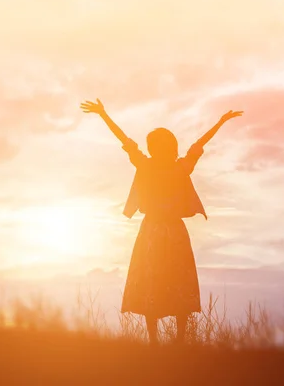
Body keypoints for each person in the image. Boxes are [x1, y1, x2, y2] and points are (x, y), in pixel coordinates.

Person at [80, 98, 243, 345]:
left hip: (156, 230)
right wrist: (220, 122)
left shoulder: (154, 166)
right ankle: (172, 339)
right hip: (166, 230)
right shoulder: (174, 168)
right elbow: (196, 146)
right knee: (164, 279)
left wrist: (104, 114)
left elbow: (126, 142)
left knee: (159, 280)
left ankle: (160, 339)